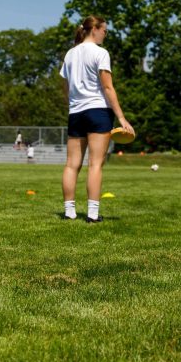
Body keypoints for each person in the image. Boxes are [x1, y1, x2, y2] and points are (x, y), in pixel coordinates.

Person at [59, 15, 134, 223]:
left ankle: (69, 212)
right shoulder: (101, 53)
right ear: (95, 30)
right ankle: (92, 214)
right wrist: (121, 117)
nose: (105, 34)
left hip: (75, 113)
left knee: (71, 164)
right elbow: (108, 88)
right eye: (105, 30)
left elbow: (66, 87)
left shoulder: (70, 54)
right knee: (95, 164)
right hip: (98, 111)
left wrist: (74, 103)